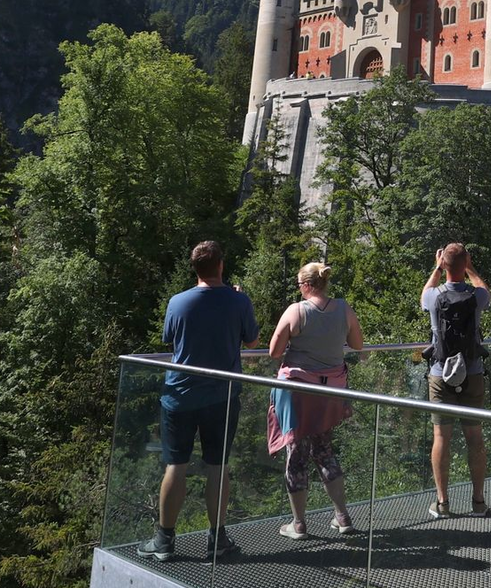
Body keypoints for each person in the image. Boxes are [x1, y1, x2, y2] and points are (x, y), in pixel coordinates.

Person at [137, 241, 259, 563]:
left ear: (195, 269)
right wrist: (235, 299)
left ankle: (164, 541)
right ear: (220, 265)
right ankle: (217, 540)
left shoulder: (178, 302)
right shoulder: (239, 301)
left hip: (180, 395)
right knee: (218, 466)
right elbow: (252, 340)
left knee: (176, 465)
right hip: (223, 395)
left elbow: (172, 339)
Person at [267, 261, 364, 539]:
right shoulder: (344, 309)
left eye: (299, 285)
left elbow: (275, 351)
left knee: (296, 453)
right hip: (331, 392)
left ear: (307, 285)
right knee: (324, 451)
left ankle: (298, 524)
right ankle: (342, 517)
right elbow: (357, 345)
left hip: (298, 393)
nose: (298, 290)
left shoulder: (296, 311)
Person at [422, 242, 491, 519]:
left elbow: (424, 294)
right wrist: (471, 268)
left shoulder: (433, 296)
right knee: (475, 437)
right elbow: (486, 291)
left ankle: (443, 503)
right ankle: (478, 502)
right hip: (472, 371)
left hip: (440, 374)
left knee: (441, 437)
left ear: (444, 264)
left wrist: (438, 267)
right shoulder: (476, 296)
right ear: (465, 265)